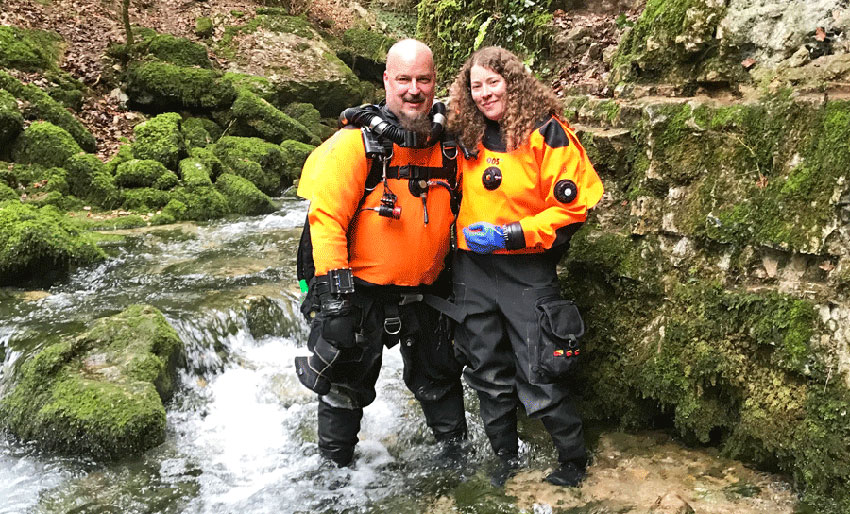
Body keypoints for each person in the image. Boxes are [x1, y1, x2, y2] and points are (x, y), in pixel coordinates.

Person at [293, 39, 467, 468]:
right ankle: (335, 474)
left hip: (428, 294)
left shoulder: (450, 147)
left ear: (434, 83)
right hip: (359, 294)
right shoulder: (355, 145)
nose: (414, 89)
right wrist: (334, 303)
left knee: (440, 380)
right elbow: (327, 220)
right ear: (386, 81)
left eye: (423, 79)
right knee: (344, 387)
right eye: (404, 79)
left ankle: (458, 465)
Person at [447, 46, 603, 487]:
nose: (484, 93)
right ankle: (504, 460)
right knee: (487, 372)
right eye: (475, 86)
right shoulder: (466, 137)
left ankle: (573, 461)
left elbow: (573, 208)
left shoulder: (548, 134)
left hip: (527, 272)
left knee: (540, 370)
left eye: (492, 82)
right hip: (472, 271)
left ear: (513, 82)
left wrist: (511, 234)